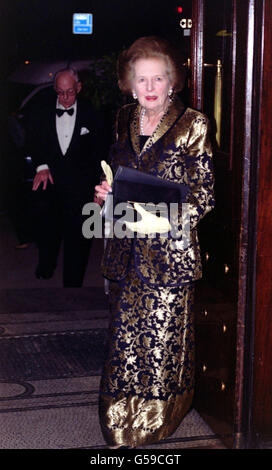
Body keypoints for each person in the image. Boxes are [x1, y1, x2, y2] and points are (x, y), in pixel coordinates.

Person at [95, 36, 215, 448]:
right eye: (141, 79)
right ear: (129, 83)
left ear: (172, 82)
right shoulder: (124, 117)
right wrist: (105, 194)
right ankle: (119, 414)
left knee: (161, 338)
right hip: (126, 247)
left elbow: (204, 194)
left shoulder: (192, 124)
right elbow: (119, 173)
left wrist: (162, 219)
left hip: (169, 252)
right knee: (126, 336)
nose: (149, 87)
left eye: (157, 79)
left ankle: (158, 416)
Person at [29, 68, 105, 287]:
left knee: (80, 238)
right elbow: (34, 140)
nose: (64, 98)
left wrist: (100, 185)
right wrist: (41, 165)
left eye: (70, 92)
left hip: (81, 187)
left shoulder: (92, 112)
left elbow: (101, 152)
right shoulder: (42, 111)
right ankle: (46, 265)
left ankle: (73, 284)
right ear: (55, 90)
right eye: (60, 93)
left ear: (79, 88)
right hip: (49, 184)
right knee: (47, 232)